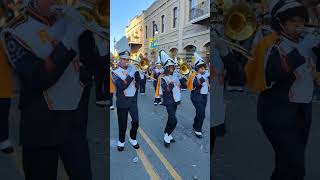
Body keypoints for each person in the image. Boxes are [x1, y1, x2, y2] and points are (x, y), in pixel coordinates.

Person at [0, 0, 94, 179]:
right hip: (40, 127)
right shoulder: (14, 31)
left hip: (73, 123)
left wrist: (92, 37)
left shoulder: (68, 20)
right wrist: (68, 40)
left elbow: (90, 67)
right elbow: (37, 78)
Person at [257, 0, 320, 179]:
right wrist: (302, 49)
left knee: (287, 164)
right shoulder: (272, 44)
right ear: (281, 23)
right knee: (295, 167)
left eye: (302, 20)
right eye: (293, 21)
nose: (300, 25)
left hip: (302, 110)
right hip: (277, 112)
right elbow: (272, 73)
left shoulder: (306, 44)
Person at [113, 36, 141, 151]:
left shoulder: (133, 69)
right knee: (122, 124)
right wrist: (130, 74)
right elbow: (122, 85)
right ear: (120, 59)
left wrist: (138, 76)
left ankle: (133, 138)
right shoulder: (115, 72)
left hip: (132, 100)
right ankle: (121, 141)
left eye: (127, 59)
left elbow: (139, 83)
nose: (126, 61)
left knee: (135, 121)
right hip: (122, 101)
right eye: (124, 59)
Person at [156, 50, 181, 148]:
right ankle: (166, 136)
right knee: (174, 120)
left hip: (175, 100)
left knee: (171, 118)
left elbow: (182, 86)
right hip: (168, 101)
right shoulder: (163, 77)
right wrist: (172, 82)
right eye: (170, 67)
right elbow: (166, 90)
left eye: (172, 66)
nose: (172, 68)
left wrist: (181, 80)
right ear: (166, 67)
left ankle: (168, 133)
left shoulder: (175, 76)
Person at [187, 52, 209, 138]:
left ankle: (195, 125)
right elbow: (196, 84)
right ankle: (198, 129)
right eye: (201, 68)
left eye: (204, 68)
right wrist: (204, 79)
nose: (203, 69)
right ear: (197, 68)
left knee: (199, 112)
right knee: (202, 113)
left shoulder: (206, 74)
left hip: (204, 96)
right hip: (196, 96)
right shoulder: (194, 75)